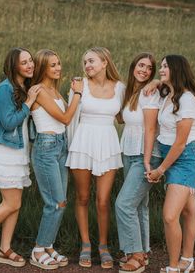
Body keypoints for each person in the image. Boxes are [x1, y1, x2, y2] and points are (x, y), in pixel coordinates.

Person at [0, 47, 41, 267]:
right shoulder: (5, 88)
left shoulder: (24, 86)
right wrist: (29, 103)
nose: (30, 64)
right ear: (14, 66)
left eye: (30, 60)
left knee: (14, 203)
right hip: (5, 151)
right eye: (24, 62)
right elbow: (9, 122)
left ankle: (4, 249)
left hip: (19, 150)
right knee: (11, 202)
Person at [66, 47, 125, 269]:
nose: (87, 65)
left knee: (103, 200)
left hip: (108, 145)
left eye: (91, 61)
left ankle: (103, 245)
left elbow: (124, 117)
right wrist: (69, 150)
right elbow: (70, 119)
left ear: (104, 62)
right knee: (82, 197)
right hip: (82, 143)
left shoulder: (120, 88)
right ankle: (85, 244)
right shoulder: (79, 85)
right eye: (85, 62)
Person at [146, 55, 195, 273]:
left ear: (177, 70)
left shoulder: (186, 99)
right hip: (172, 158)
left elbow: (180, 143)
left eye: (165, 66)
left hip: (186, 159)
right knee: (189, 211)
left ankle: (173, 267)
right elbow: (161, 83)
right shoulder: (168, 94)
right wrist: (156, 82)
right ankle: (187, 261)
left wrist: (160, 170)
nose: (160, 69)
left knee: (170, 215)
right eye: (160, 66)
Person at [29, 49, 83, 270]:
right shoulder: (39, 90)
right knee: (55, 202)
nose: (58, 68)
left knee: (61, 203)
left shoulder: (55, 91)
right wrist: (77, 94)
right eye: (52, 65)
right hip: (46, 148)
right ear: (42, 67)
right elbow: (65, 118)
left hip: (60, 146)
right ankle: (38, 249)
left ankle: (49, 245)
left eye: (58, 63)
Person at [115, 53, 162, 273]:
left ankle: (134, 254)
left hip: (146, 155)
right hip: (129, 152)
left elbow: (151, 128)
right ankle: (143, 253)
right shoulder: (131, 92)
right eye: (141, 65)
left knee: (124, 204)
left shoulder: (150, 93)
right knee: (139, 205)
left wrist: (146, 159)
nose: (144, 70)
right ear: (134, 66)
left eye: (149, 68)